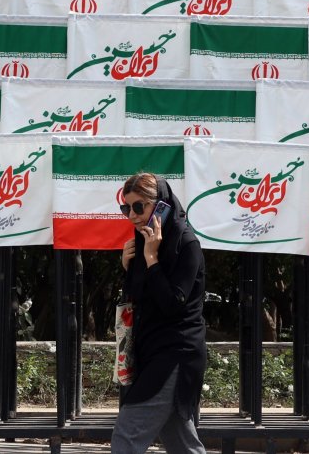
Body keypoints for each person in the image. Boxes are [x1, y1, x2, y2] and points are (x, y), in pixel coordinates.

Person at [111, 173, 207, 454]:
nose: (132, 216)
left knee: (126, 437)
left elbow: (173, 303)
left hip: (176, 354)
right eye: (126, 208)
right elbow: (139, 302)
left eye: (139, 206)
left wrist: (152, 260)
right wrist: (129, 269)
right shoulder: (141, 244)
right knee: (181, 443)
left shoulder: (187, 245)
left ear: (161, 205)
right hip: (151, 353)